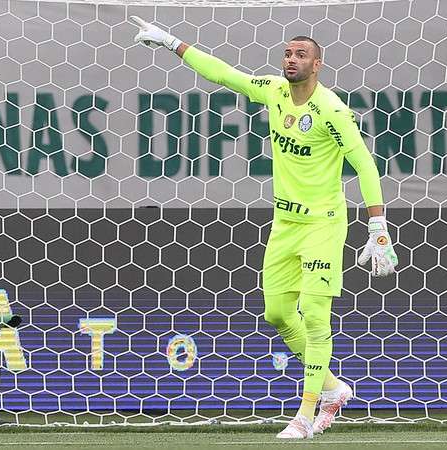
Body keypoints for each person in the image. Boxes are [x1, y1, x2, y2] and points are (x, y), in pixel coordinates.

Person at [130, 16, 399, 439]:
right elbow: (226, 74)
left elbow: (364, 163)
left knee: (314, 314)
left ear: (318, 65)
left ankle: (305, 415)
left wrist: (377, 226)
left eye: (301, 55)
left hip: (324, 224)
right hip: (285, 223)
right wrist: (170, 42)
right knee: (277, 312)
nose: (292, 60)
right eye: (288, 53)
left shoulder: (331, 110)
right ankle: (332, 390)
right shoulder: (274, 91)